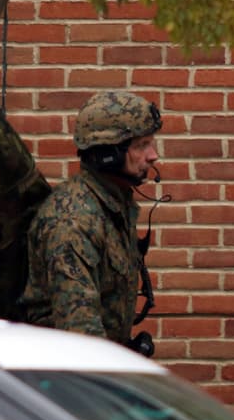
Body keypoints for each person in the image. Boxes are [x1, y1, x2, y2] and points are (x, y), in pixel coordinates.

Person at [20, 91, 162, 350]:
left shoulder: (112, 203)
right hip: (63, 378)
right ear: (110, 153)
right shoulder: (74, 221)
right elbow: (80, 335)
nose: (153, 155)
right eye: (142, 145)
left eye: (151, 143)